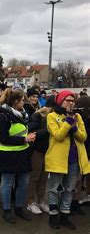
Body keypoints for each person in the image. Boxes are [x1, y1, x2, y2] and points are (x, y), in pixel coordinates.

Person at [46, 90, 89, 230]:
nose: (71, 103)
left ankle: (64, 216)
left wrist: (74, 127)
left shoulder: (78, 116)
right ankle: (53, 215)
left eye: (72, 100)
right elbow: (58, 135)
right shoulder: (52, 116)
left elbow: (83, 137)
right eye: (67, 100)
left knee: (69, 189)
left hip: (74, 160)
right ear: (60, 101)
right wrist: (69, 122)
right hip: (58, 159)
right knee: (54, 189)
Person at [0, 88, 35, 224]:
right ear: (16, 101)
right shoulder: (2, 116)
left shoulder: (23, 115)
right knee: (7, 183)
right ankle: (7, 210)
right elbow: (3, 138)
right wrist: (24, 139)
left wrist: (28, 139)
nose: (24, 102)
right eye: (23, 100)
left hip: (23, 153)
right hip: (8, 154)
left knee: (23, 183)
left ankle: (19, 208)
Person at [26, 95, 55, 215]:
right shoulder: (38, 115)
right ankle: (30, 202)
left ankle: (41, 200)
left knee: (43, 178)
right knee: (35, 177)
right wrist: (48, 129)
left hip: (48, 150)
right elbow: (32, 132)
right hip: (37, 150)